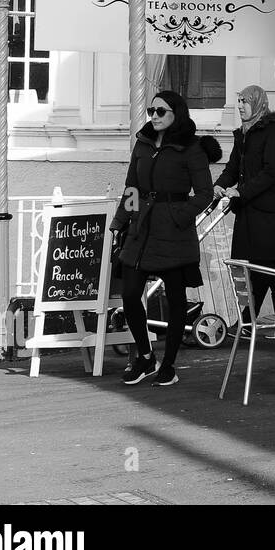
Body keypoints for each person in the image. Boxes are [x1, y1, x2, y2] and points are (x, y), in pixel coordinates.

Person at [111, 91, 221, 386]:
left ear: (177, 113)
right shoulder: (143, 143)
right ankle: (146, 357)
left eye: (161, 111)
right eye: (152, 111)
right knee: (130, 294)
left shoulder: (191, 147)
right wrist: (121, 221)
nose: (155, 116)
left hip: (174, 233)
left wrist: (179, 215)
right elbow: (132, 187)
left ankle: (169, 364)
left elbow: (205, 193)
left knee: (175, 300)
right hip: (142, 229)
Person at [214, 85, 275, 319]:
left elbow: (272, 171)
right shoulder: (243, 133)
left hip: (270, 214)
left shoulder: (271, 131)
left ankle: (253, 320)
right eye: (239, 101)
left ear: (258, 104)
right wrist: (219, 185)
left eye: (245, 101)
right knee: (266, 269)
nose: (240, 106)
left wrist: (241, 192)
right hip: (252, 212)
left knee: (267, 268)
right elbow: (233, 167)